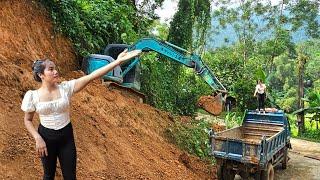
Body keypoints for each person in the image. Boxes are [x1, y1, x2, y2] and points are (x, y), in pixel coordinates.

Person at [21, 49, 141, 180]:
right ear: (41, 75)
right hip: (45, 138)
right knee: (48, 176)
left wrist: (118, 61)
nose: (55, 71)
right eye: (51, 69)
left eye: (55, 68)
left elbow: (92, 76)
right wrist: (38, 138)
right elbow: (28, 120)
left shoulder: (65, 88)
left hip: (66, 137)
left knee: (70, 177)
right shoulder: (32, 96)